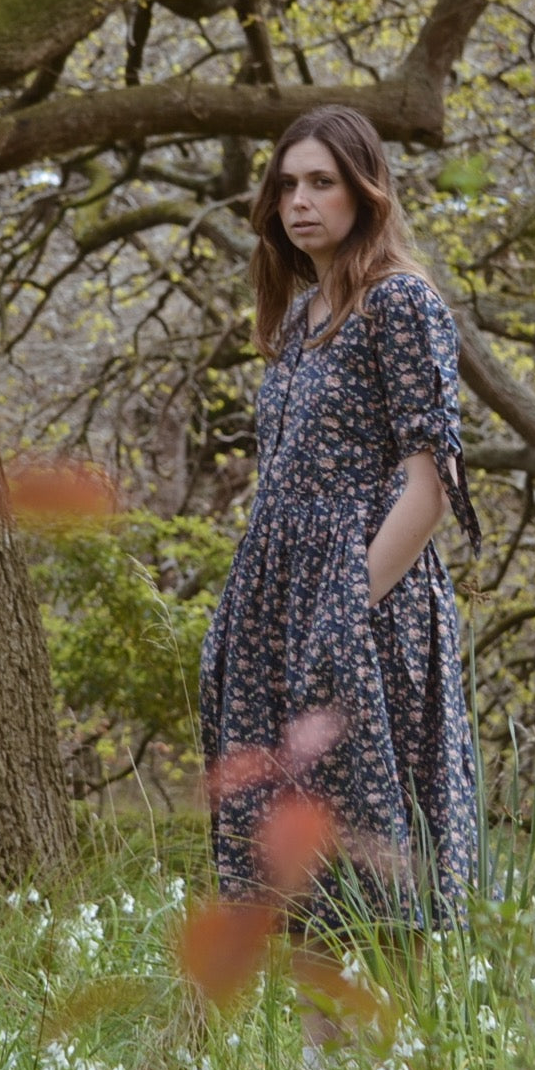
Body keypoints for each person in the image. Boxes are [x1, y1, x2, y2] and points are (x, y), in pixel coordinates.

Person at [198, 105, 482, 935]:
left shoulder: (401, 304)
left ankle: (403, 1050)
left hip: (365, 603)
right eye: (287, 185)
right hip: (279, 605)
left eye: (322, 182)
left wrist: (345, 611)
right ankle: (328, 1062)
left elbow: (433, 489)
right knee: (296, 856)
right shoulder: (296, 318)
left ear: (365, 191)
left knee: (375, 853)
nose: (300, 201)